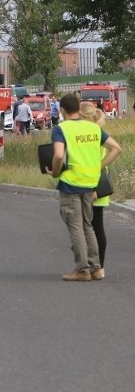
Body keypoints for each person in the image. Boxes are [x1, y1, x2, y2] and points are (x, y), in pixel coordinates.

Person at [46, 93, 121, 281]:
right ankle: (96, 268)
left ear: (62, 110)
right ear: (78, 108)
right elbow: (116, 148)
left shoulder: (61, 128)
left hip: (71, 183)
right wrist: (99, 166)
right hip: (90, 182)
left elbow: (57, 155)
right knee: (88, 226)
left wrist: (55, 173)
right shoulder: (93, 128)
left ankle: (81, 269)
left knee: (75, 226)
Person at [80, 101, 111, 279]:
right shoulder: (98, 132)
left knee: (87, 225)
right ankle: (99, 266)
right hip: (99, 181)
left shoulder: (89, 133)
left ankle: (92, 265)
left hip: (91, 182)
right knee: (97, 225)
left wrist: (95, 167)